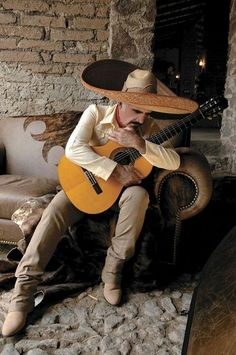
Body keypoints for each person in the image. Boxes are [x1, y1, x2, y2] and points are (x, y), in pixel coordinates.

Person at [1, 59, 197, 337]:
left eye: (147, 112)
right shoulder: (95, 113)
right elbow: (74, 149)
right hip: (86, 187)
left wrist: (140, 144)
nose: (141, 118)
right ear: (120, 102)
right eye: (136, 110)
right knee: (55, 210)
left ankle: (112, 273)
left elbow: (174, 160)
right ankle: (22, 294)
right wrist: (113, 169)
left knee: (139, 196)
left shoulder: (149, 127)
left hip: (123, 195)